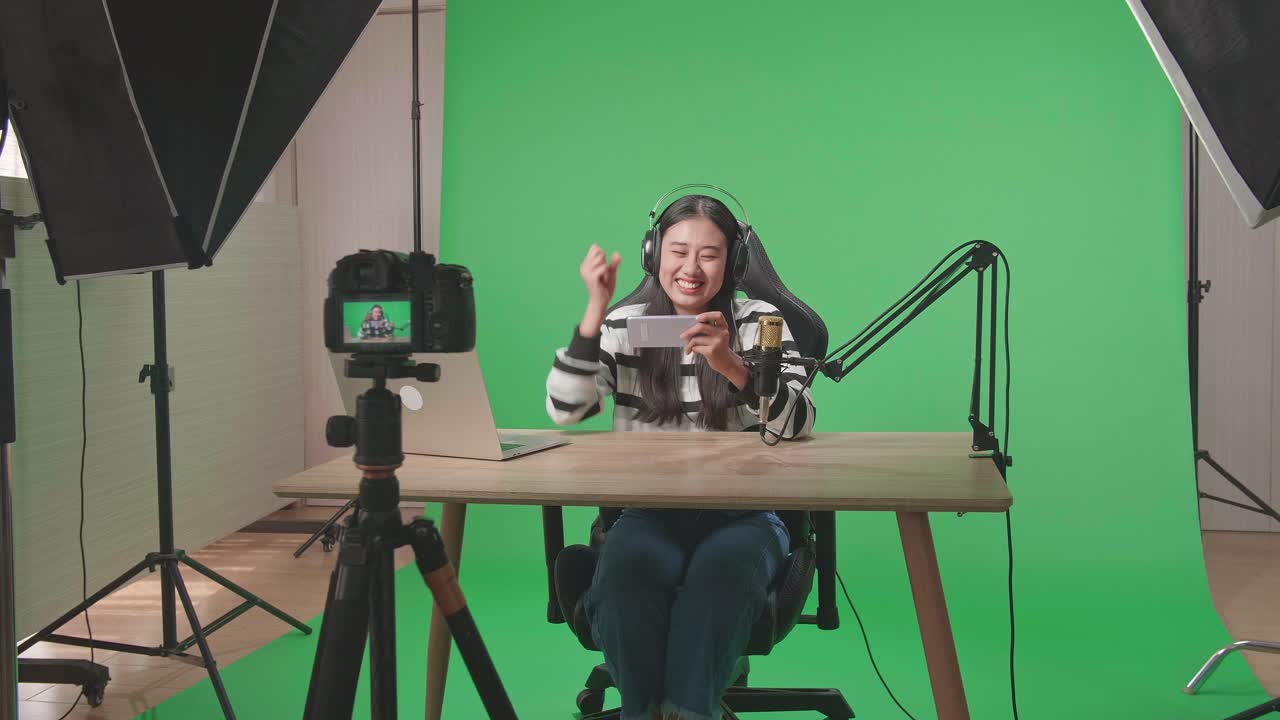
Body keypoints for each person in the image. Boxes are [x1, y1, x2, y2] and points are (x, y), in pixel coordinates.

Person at [545, 194, 815, 720]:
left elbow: (799, 422)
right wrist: (595, 312)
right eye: (678, 251)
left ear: (734, 261)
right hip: (647, 513)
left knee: (720, 581)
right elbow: (565, 408)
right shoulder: (624, 324)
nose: (691, 268)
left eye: (709, 254)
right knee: (625, 584)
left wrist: (733, 366)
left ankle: (688, 710)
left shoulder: (759, 320)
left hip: (744, 514)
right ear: (654, 254)